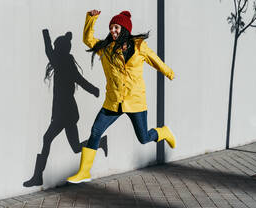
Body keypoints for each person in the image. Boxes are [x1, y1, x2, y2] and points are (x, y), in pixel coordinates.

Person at [66, 10, 175, 184]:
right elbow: (88, 39)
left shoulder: (139, 47)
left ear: (124, 28)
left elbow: (154, 59)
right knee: (95, 131)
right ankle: (84, 172)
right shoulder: (106, 49)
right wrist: (91, 19)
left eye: (116, 27)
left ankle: (163, 132)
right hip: (114, 101)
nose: (113, 31)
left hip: (135, 101)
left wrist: (168, 72)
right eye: (111, 28)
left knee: (144, 138)